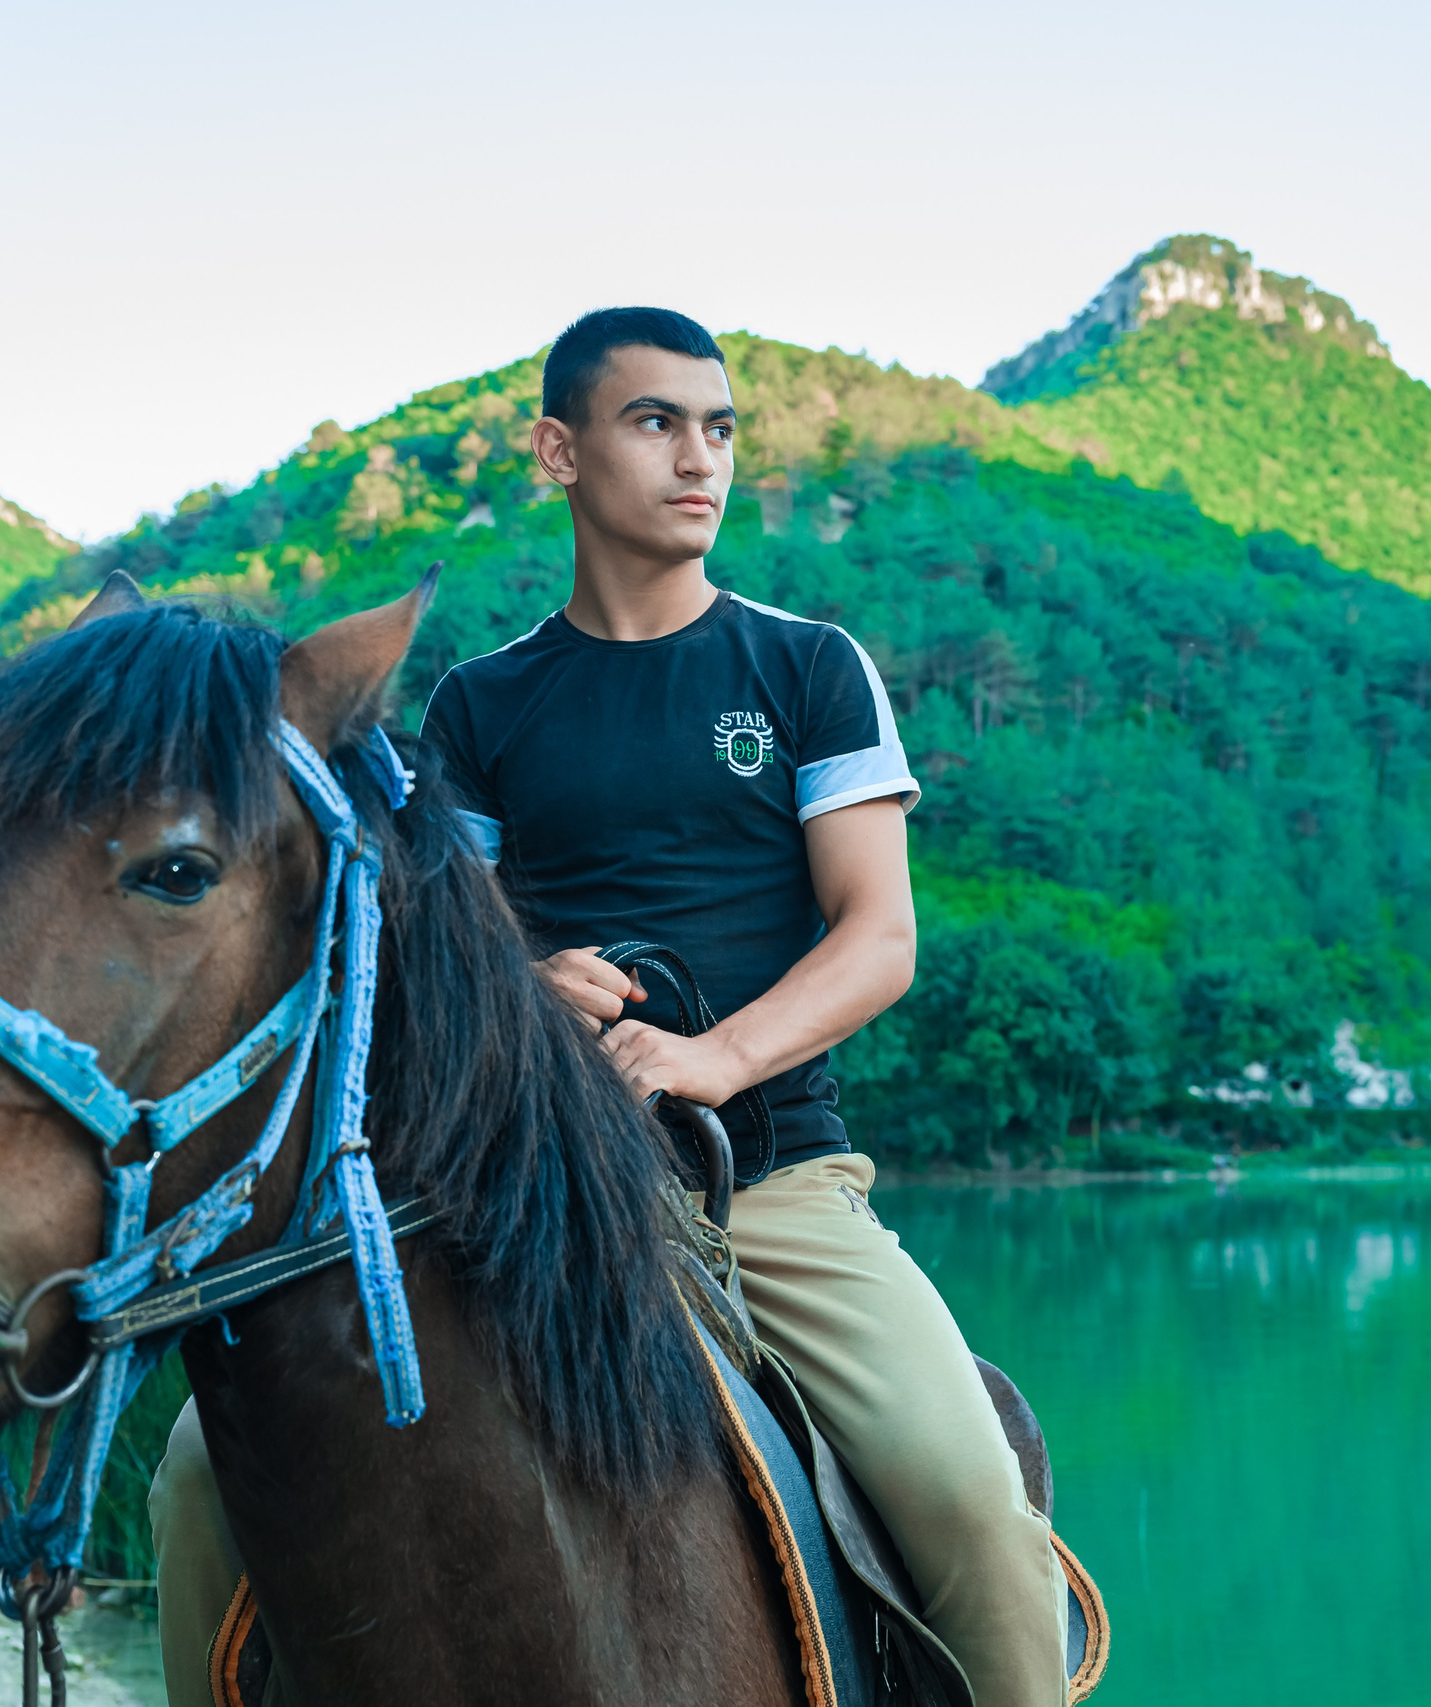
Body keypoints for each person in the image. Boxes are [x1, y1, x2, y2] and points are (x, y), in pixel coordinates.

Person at [148, 307, 1067, 1707]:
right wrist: (521, 986)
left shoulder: (804, 669)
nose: (699, 460)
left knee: (972, 1500)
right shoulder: (483, 703)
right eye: (656, 423)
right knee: (203, 1477)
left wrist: (712, 1057)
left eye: (720, 428)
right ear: (559, 451)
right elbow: (434, 967)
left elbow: (880, 938)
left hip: (767, 1187)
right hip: (509, 1204)